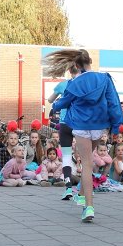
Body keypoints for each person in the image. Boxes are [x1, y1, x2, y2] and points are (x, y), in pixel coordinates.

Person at [45, 49, 123, 223]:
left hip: (81, 125)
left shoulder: (74, 83)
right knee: (89, 159)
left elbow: (63, 102)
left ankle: (89, 206)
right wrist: (117, 127)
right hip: (99, 125)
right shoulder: (105, 78)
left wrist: (56, 104)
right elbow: (114, 102)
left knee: (86, 164)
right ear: (89, 61)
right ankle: (81, 195)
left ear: (76, 65)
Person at [47, 69, 78, 198]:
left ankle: (68, 187)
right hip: (80, 123)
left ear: (69, 70)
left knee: (66, 156)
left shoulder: (63, 84)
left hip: (65, 123)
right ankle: (86, 187)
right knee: (86, 156)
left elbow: (50, 100)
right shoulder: (85, 84)